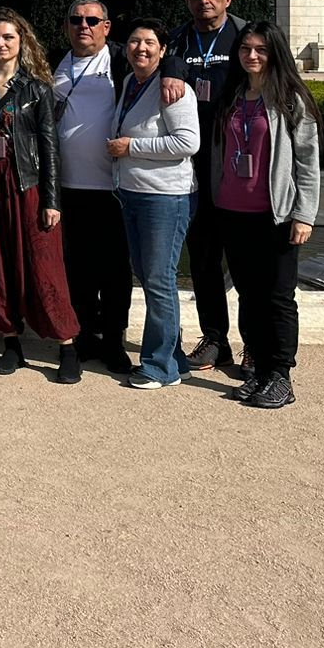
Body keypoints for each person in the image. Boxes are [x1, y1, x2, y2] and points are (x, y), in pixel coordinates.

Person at [207, 22, 320, 411]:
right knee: (249, 295)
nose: (251, 56)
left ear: (275, 53)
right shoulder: (233, 97)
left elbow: (307, 162)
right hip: (233, 211)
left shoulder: (290, 99)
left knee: (278, 297)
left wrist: (304, 215)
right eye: (245, 49)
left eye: (261, 49)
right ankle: (257, 363)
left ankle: (281, 374)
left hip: (276, 215)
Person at [0, 10, 78, 382]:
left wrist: (52, 200)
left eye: (8, 38)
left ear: (21, 41)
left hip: (26, 185)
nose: (1, 44)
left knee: (43, 265)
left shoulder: (36, 90)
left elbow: (49, 147)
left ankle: (66, 346)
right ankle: (11, 343)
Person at [108, 19, 200, 390]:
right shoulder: (132, 82)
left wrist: (132, 147)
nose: (140, 48)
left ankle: (160, 366)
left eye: (149, 43)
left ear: (163, 51)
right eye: (133, 41)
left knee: (159, 280)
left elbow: (186, 142)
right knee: (150, 276)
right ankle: (173, 356)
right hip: (134, 192)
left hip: (165, 196)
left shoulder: (174, 90)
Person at [168, 0, 249, 373]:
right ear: (188, 0)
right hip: (193, 164)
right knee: (202, 259)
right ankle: (216, 339)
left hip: (236, 161)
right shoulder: (178, 40)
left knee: (244, 260)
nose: (205, 0)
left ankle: (254, 344)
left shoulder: (245, 37)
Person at [53, 0, 137, 375]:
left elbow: (164, 55)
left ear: (106, 27)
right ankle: (85, 334)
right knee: (77, 268)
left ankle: (115, 340)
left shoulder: (120, 60)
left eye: (91, 20)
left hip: (113, 187)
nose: (83, 26)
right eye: (76, 19)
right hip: (68, 186)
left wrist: (170, 69)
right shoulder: (54, 62)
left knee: (116, 270)